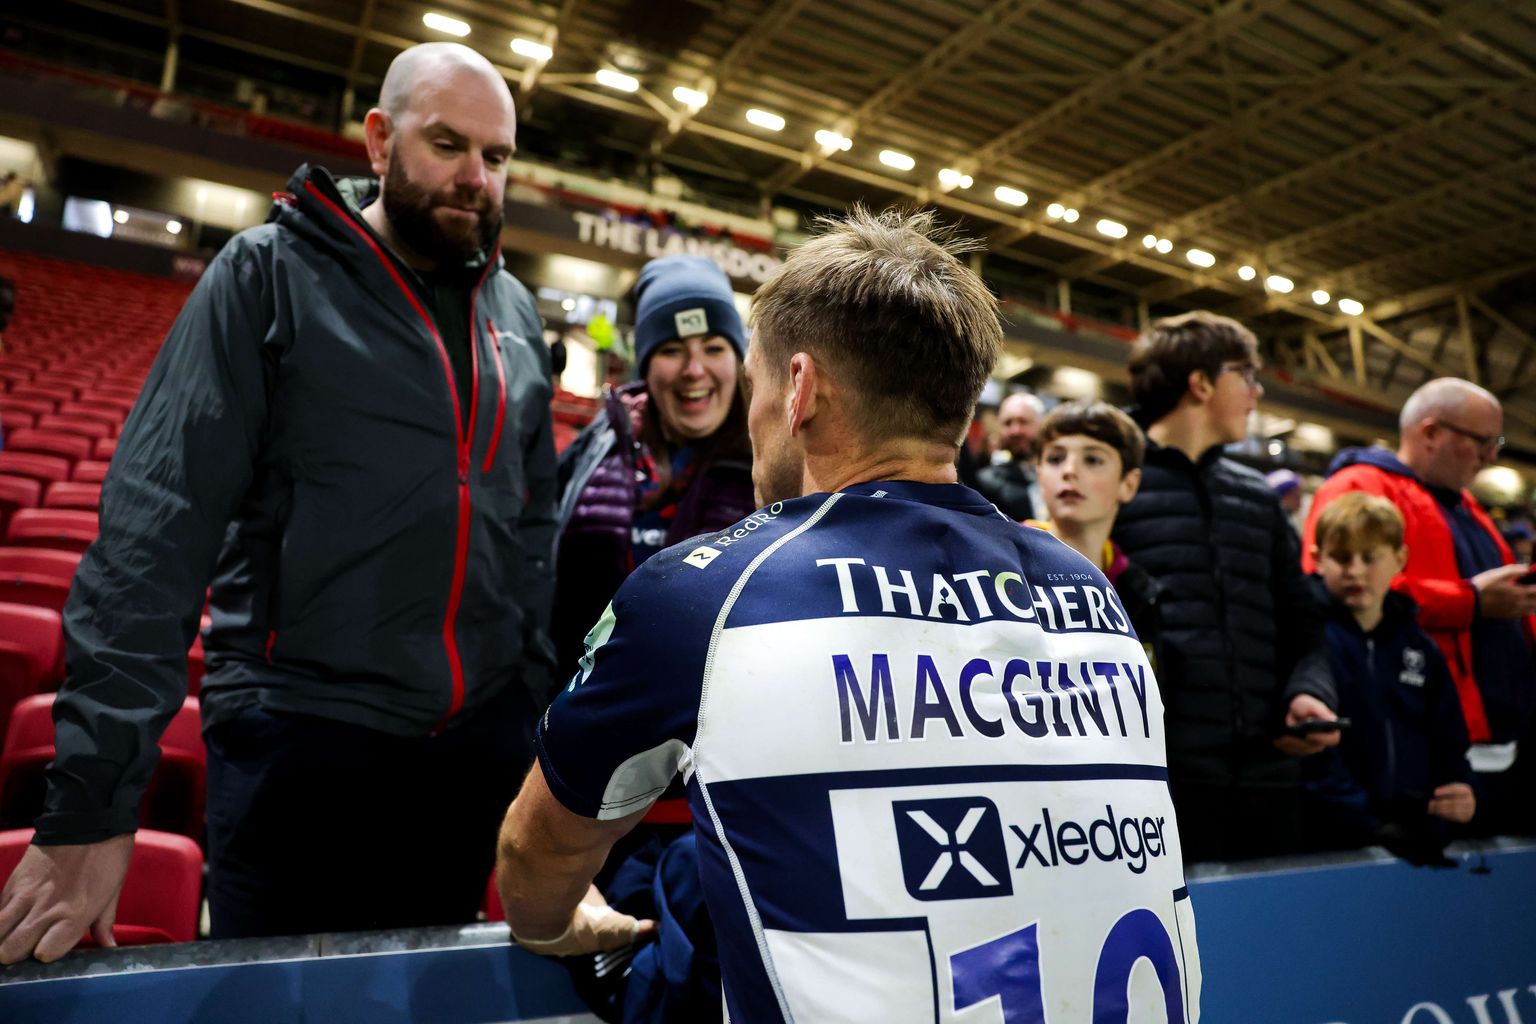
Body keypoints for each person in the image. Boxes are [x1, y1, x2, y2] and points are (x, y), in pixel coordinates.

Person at [495, 208, 1201, 1022]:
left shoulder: (711, 592)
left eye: (754, 383)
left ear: (798, 388)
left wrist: (553, 925)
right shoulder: (1094, 594)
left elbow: (536, 855)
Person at [0, 42, 557, 962]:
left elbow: (529, 535)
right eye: (447, 144)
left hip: (466, 762)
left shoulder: (517, 315)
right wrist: (94, 806)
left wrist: (524, 715)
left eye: (496, 157)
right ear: (378, 140)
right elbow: (154, 535)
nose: (476, 177)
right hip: (301, 749)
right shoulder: (266, 275)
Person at [1111, 310, 1339, 864]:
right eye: (1248, 375)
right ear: (1202, 383)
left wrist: (1309, 691)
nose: (1257, 393)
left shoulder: (1257, 496)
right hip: (1157, 783)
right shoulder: (1113, 482)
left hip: (1268, 775)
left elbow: (1303, 623)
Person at [1302, 378, 1536, 836]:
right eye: (1483, 441)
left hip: (1487, 746)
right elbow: (1340, 587)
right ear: (1431, 432)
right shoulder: (1360, 485)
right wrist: (1468, 602)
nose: (1490, 457)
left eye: (1496, 443)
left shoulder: (1467, 507)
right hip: (1410, 750)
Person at [551, 254, 755, 676]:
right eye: (672, 350)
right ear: (645, 364)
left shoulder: (770, 464)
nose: (693, 370)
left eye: (714, 347)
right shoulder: (600, 443)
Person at [1304, 492, 1476, 863]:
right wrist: (1368, 822)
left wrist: (1461, 791)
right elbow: (1312, 754)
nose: (1355, 571)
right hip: (1329, 840)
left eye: (1369, 558)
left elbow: (1449, 739)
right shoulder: (1306, 640)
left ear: (1399, 559)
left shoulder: (1420, 649)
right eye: (1341, 557)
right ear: (1317, 559)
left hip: (1415, 836)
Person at [1026, 399, 1160, 660]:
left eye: (1092, 459)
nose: (1069, 470)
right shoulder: (1001, 570)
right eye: (1055, 458)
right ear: (1039, 474)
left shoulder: (1140, 592)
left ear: (1129, 484)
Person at [975, 390, 1043, 520]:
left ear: (1041, 424)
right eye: (1007, 423)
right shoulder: (987, 481)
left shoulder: (1059, 473)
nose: (1015, 431)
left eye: (1023, 422)